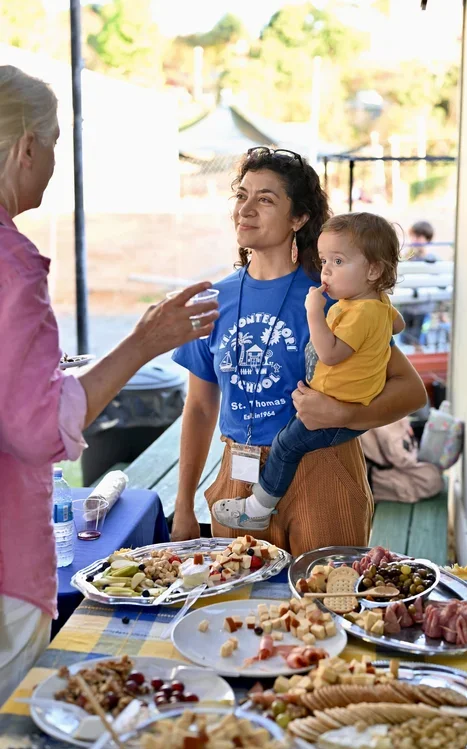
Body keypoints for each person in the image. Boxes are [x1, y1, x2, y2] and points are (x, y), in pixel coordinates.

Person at [0, 65, 219, 705]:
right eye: (57, 146)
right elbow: (39, 426)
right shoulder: (12, 265)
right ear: (27, 149)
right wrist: (143, 341)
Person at [171, 146, 427, 552]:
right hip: (238, 476)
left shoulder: (334, 296)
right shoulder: (212, 302)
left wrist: (347, 414)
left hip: (321, 468)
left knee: (325, 606)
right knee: (241, 608)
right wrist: (183, 504)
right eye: (242, 195)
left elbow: (411, 392)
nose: (246, 209)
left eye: (265, 198)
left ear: (299, 218)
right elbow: (201, 408)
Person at [212, 212, 406, 531]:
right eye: (323, 259)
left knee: (288, 444)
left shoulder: (355, 309)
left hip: (326, 448)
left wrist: (313, 312)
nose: (326, 270)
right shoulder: (369, 303)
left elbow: (329, 353)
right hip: (241, 459)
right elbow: (396, 324)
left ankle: (259, 507)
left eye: (338, 261)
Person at [400, 220, 437, 346]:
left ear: (427, 239)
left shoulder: (432, 260)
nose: (415, 240)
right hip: (407, 307)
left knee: (419, 341)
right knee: (404, 341)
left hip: (423, 309)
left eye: (419, 237)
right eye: (413, 236)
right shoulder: (407, 258)